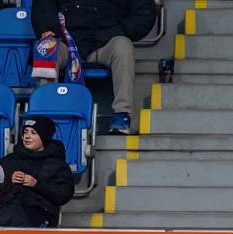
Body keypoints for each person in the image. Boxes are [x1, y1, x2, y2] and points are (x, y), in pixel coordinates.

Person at [31, 0, 156, 134]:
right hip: (66, 41)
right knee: (45, 48)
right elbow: (43, 6)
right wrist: (47, 29)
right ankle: (43, 116)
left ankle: (123, 114)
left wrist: (123, 30)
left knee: (123, 46)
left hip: (105, 41)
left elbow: (144, 9)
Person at [0, 116, 74, 227]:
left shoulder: (57, 164)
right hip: (6, 213)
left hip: (41, 215)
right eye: (25, 132)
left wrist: (37, 184)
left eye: (33, 133)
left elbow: (63, 195)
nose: (27, 136)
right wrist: (9, 180)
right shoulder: (11, 159)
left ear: (44, 136)